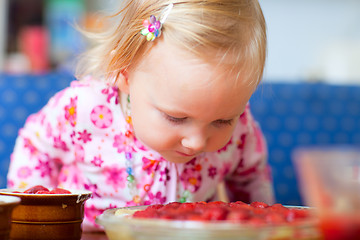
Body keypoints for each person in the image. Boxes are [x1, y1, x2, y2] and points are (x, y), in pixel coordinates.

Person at [7, 0, 274, 231]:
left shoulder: (240, 127)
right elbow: (35, 145)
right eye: (176, 118)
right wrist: (33, 218)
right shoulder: (84, 108)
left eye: (221, 121)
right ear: (124, 73)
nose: (196, 142)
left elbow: (251, 181)